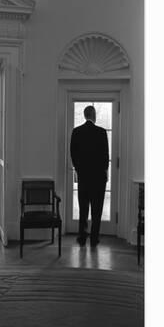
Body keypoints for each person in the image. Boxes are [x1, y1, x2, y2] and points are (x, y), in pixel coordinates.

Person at [70, 105, 109, 247]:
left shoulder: (76, 132)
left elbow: (73, 154)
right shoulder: (101, 132)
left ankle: (82, 237)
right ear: (93, 115)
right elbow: (105, 156)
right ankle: (94, 239)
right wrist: (105, 172)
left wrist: (79, 170)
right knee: (97, 210)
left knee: (83, 208)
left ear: (85, 115)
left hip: (84, 177)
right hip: (99, 178)